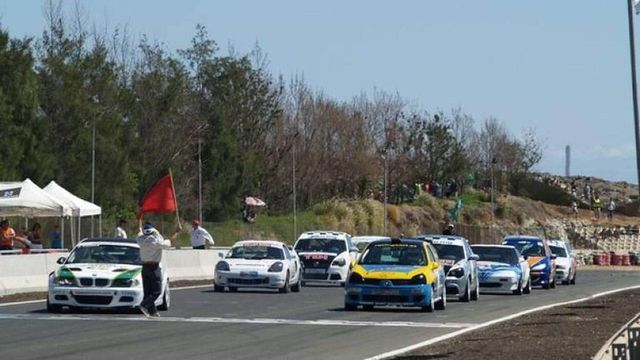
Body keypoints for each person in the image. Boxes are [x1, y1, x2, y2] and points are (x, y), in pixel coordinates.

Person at [136, 220, 172, 317]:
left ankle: (153, 312)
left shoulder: (139, 240)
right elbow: (167, 244)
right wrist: (176, 232)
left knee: (147, 292)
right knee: (157, 291)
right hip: (154, 267)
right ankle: (144, 305)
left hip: (145, 267)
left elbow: (139, 232)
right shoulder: (156, 240)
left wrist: (139, 220)